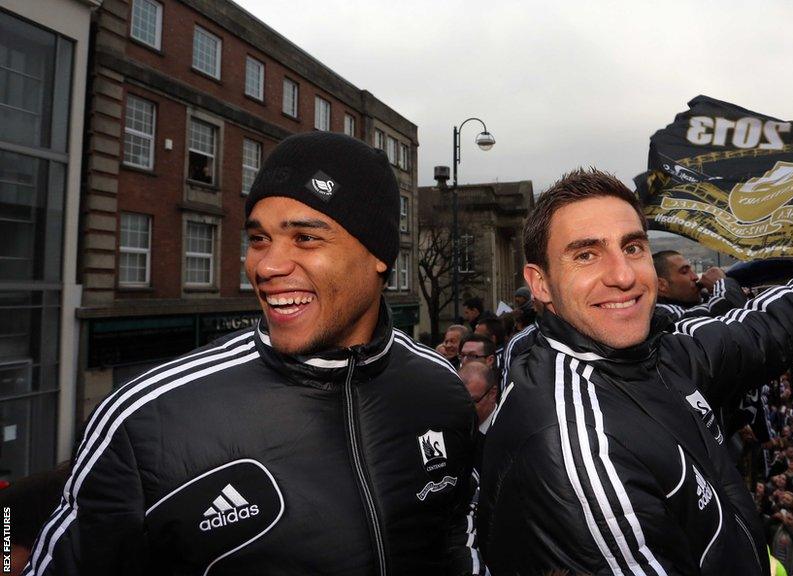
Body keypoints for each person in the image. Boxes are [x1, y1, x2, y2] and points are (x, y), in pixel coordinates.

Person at [27, 132, 478, 575]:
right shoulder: (145, 420)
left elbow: (459, 532)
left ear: (378, 255)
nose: (266, 266)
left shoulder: (438, 384)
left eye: (305, 238)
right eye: (259, 239)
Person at [478, 168, 793, 576]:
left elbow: (761, 329)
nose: (622, 275)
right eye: (586, 255)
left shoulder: (650, 349)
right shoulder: (581, 449)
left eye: (632, 247)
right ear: (541, 283)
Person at [652, 250, 745, 319]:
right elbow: (730, 314)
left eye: (692, 270)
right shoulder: (661, 315)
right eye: (684, 272)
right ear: (661, 285)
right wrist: (721, 283)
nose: (695, 277)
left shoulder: (701, 299)